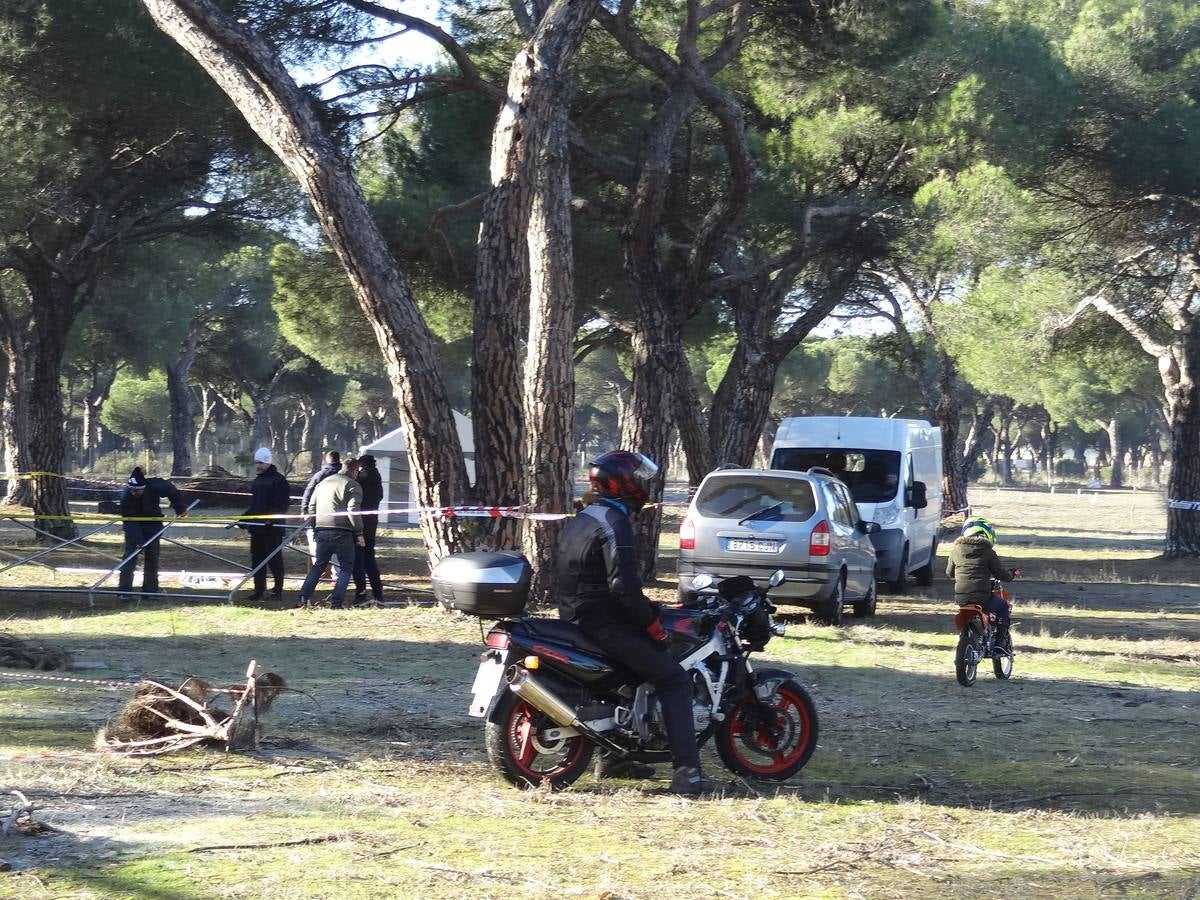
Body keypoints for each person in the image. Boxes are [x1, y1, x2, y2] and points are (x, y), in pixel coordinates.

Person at [556, 449, 724, 796]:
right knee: (675, 680)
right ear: (623, 484)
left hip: (578, 614)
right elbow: (624, 588)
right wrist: (652, 625)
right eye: (639, 479)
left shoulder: (586, 515)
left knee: (626, 680)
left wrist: (650, 608)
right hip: (604, 621)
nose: (644, 486)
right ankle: (687, 774)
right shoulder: (613, 523)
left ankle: (615, 758)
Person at [296, 458, 364, 609]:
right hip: (342, 532)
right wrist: (359, 532)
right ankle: (336, 602)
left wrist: (315, 527)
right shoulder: (353, 485)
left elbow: (312, 507)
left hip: (321, 530)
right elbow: (353, 510)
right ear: (354, 470)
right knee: (346, 567)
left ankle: (302, 598)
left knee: (319, 565)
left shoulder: (323, 483)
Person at [117, 467, 188, 601]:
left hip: (153, 525)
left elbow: (171, 490)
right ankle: (124, 591)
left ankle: (150, 592)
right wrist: (138, 541)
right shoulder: (126, 497)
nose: (134, 493)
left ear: (143, 487)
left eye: (137, 490)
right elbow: (129, 522)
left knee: (152, 559)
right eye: (132, 490)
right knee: (129, 559)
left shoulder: (155, 485)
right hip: (134, 526)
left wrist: (180, 507)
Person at [946, 516, 1020, 641]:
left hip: (961, 599)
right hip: (982, 597)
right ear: (987, 533)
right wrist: (1011, 574)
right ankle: (999, 644)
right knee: (1003, 607)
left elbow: (949, 573)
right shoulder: (988, 552)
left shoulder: (955, 551)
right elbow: (1000, 574)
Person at [239, 447, 292, 602]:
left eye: (260, 463)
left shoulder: (279, 481)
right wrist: (244, 519)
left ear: (267, 462)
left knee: (274, 560)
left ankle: (277, 591)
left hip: (272, 529)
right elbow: (255, 505)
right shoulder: (258, 480)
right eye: (256, 463)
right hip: (257, 528)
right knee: (257, 560)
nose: (258, 466)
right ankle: (259, 589)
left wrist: (272, 519)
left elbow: (281, 505)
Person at [301, 450, 342, 576]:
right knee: (338, 546)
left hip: (320, 515)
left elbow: (309, 491)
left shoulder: (321, 475)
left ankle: (319, 571)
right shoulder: (344, 474)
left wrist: (305, 510)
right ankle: (336, 574)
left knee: (317, 544)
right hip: (340, 516)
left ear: (327, 460)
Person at [352, 454, 384, 606]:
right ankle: (378, 593)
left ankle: (361, 593)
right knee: (370, 559)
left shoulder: (361, 479)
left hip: (360, 523)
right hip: (372, 522)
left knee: (358, 560)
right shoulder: (377, 477)